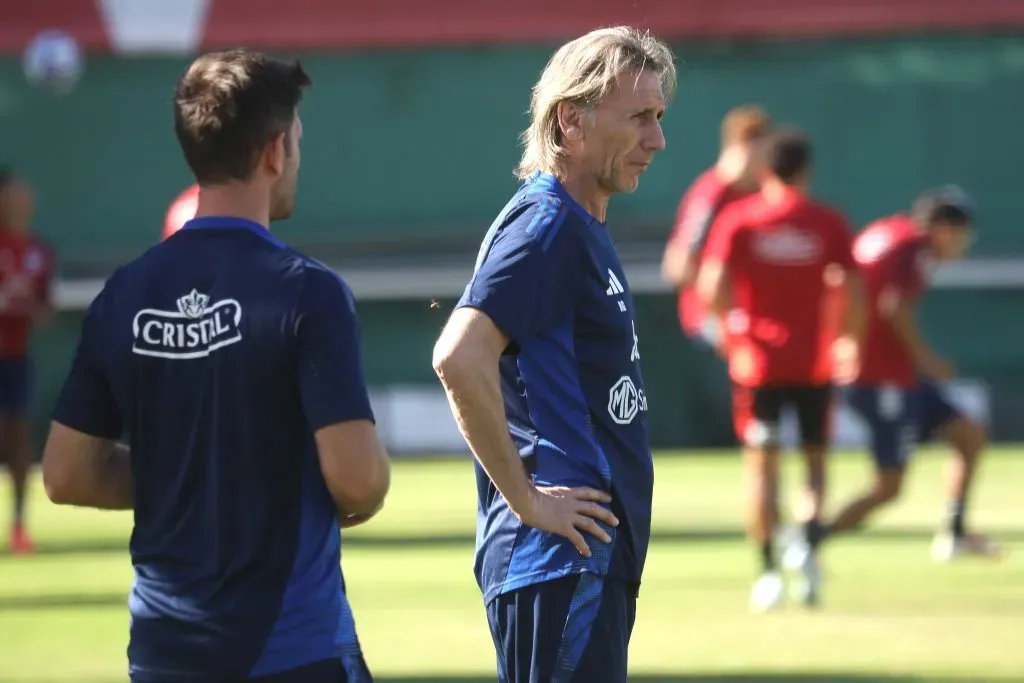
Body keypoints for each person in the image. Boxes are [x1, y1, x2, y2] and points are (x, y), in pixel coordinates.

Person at [41, 50, 390, 683]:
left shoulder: (123, 294)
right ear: (275, 151)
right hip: (289, 648)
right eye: (297, 141)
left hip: (162, 654)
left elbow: (67, 474)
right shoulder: (308, 293)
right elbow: (358, 480)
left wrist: (192, 480)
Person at [432, 27, 675, 683]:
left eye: (659, 117)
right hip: (561, 558)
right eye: (639, 117)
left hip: (581, 559)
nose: (657, 139)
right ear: (571, 119)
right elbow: (459, 355)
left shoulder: (578, 225)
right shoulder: (547, 226)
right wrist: (528, 499)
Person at [697, 129, 864, 611]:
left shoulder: (740, 218)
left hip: (759, 365)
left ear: (764, 169)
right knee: (814, 465)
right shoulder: (826, 221)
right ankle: (806, 553)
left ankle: (768, 571)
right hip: (814, 364)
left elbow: (710, 284)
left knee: (762, 469)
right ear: (807, 170)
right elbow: (854, 288)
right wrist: (848, 340)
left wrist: (732, 335)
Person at [817, 186, 1001, 563]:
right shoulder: (912, 246)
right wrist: (927, 359)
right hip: (879, 377)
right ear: (944, 228)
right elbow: (894, 308)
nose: (962, 244)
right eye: (962, 234)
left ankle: (954, 533)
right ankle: (808, 541)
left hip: (887, 373)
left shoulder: (887, 232)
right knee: (889, 486)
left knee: (968, 433)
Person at [659, 106, 771, 445]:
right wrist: (720, 311)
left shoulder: (757, 193)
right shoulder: (713, 193)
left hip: (747, 315)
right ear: (743, 145)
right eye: (763, 149)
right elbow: (678, 263)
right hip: (712, 319)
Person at [0, 170, 54, 555]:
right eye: (13, 193)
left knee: (20, 438)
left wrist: (30, 308)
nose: (21, 199)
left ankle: (19, 524)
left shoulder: (39, 251)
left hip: (16, 358)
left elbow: (45, 310)